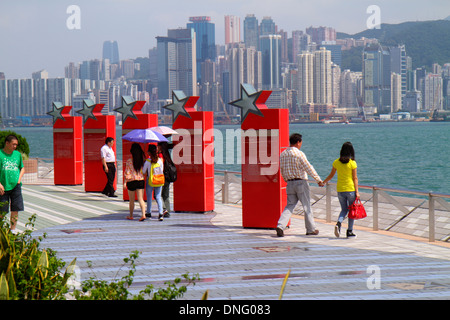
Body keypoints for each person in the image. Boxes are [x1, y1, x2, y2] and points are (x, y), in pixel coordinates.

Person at [276, 133, 324, 237]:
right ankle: (311, 229)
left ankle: (280, 225)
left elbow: (282, 170)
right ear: (298, 142)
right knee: (306, 206)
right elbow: (308, 167)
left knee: (289, 206)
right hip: (301, 182)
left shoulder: (283, 154)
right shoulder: (299, 154)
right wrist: (318, 180)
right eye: (301, 142)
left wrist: (287, 180)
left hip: (289, 183)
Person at [323, 141, 359, 238]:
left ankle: (338, 223)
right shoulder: (352, 163)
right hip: (350, 190)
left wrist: (324, 182)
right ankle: (349, 231)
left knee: (344, 209)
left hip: (340, 190)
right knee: (351, 211)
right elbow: (355, 178)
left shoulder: (336, 162)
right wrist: (357, 192)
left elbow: (331, 175)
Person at [0, 135, 25, 234]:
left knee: (15, 209)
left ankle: (13, 230)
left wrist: (19, 180)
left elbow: (22, 168)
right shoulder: (0, 154)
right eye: (13, 144)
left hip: (16, 186)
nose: (15, 146)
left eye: (16, 145)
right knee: (2, 210)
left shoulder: (17, 155)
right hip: (3, 187)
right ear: (7, 143)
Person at [124, 143, 146, 221]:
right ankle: (143, 214)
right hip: (140, 181)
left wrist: (125, 182)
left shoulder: (129, 161)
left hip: (131, 182)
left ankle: (131, 215)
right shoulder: (142, 161)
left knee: (131, 200)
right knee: (141, 199)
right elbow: (144, 171)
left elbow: (127, 173)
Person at [143, 144, 164, 221]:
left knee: (149, 197)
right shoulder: (160, 161)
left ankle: (148, 212)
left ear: (149, 152)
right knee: (158, 197)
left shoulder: (148, 161)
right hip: (159, 180)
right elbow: (162, 170)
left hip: (150, 181)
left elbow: (143, 171)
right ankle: (161, 213)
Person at [158, 141, 175, 218]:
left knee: (157, 195)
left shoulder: (161, 155)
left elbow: (160, 167)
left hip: (162, 177)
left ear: (160, 147)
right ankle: (167, 210)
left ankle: (165, 209)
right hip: (167, 177)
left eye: (158, 146)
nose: (156, 147)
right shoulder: (167, 155)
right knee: (166, 194)